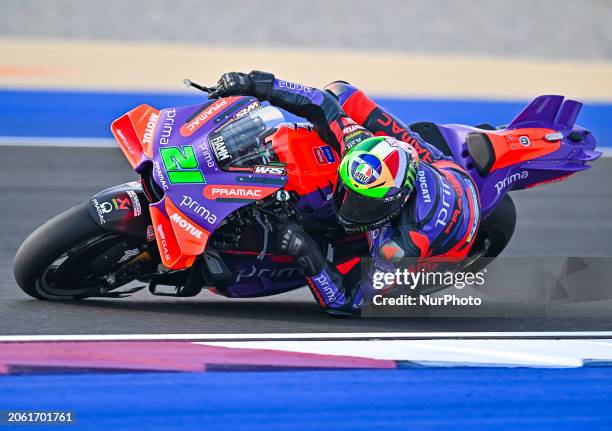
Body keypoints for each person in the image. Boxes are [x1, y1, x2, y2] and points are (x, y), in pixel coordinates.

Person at [208, 71, 481, 316]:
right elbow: (321, 103)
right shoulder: (357, 143)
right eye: (348, 192)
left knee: (359, 272)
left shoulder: (399, 246)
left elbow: (347, 302)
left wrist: (304, 249)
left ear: (395, 203)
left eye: (363, 205)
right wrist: (256, 84)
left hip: (454, 203)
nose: (350, 207)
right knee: (341, 94)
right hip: (437, 167)